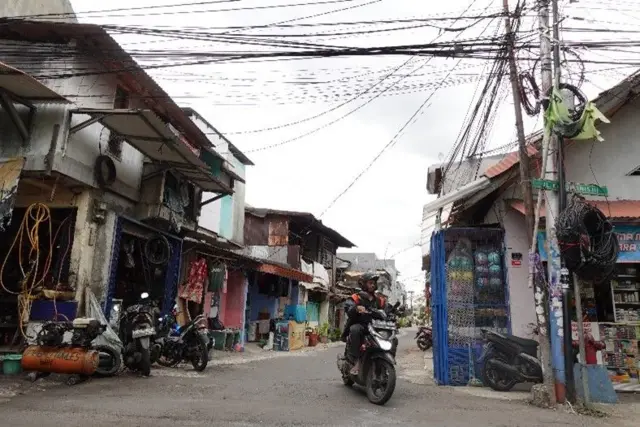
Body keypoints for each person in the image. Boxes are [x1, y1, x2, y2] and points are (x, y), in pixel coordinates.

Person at [342, 272, 387, 375]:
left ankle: (386, 357)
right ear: (363, 284)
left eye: (374, 283)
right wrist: (356, 308)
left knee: (393, 337)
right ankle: (356, 361)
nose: (372, 285)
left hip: (376, 327)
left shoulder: (379, 300)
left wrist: (394, 312)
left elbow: (386, 311)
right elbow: (348, 308)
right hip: (361, 325)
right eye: (370, 283)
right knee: (355, 330)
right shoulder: (356, 297)